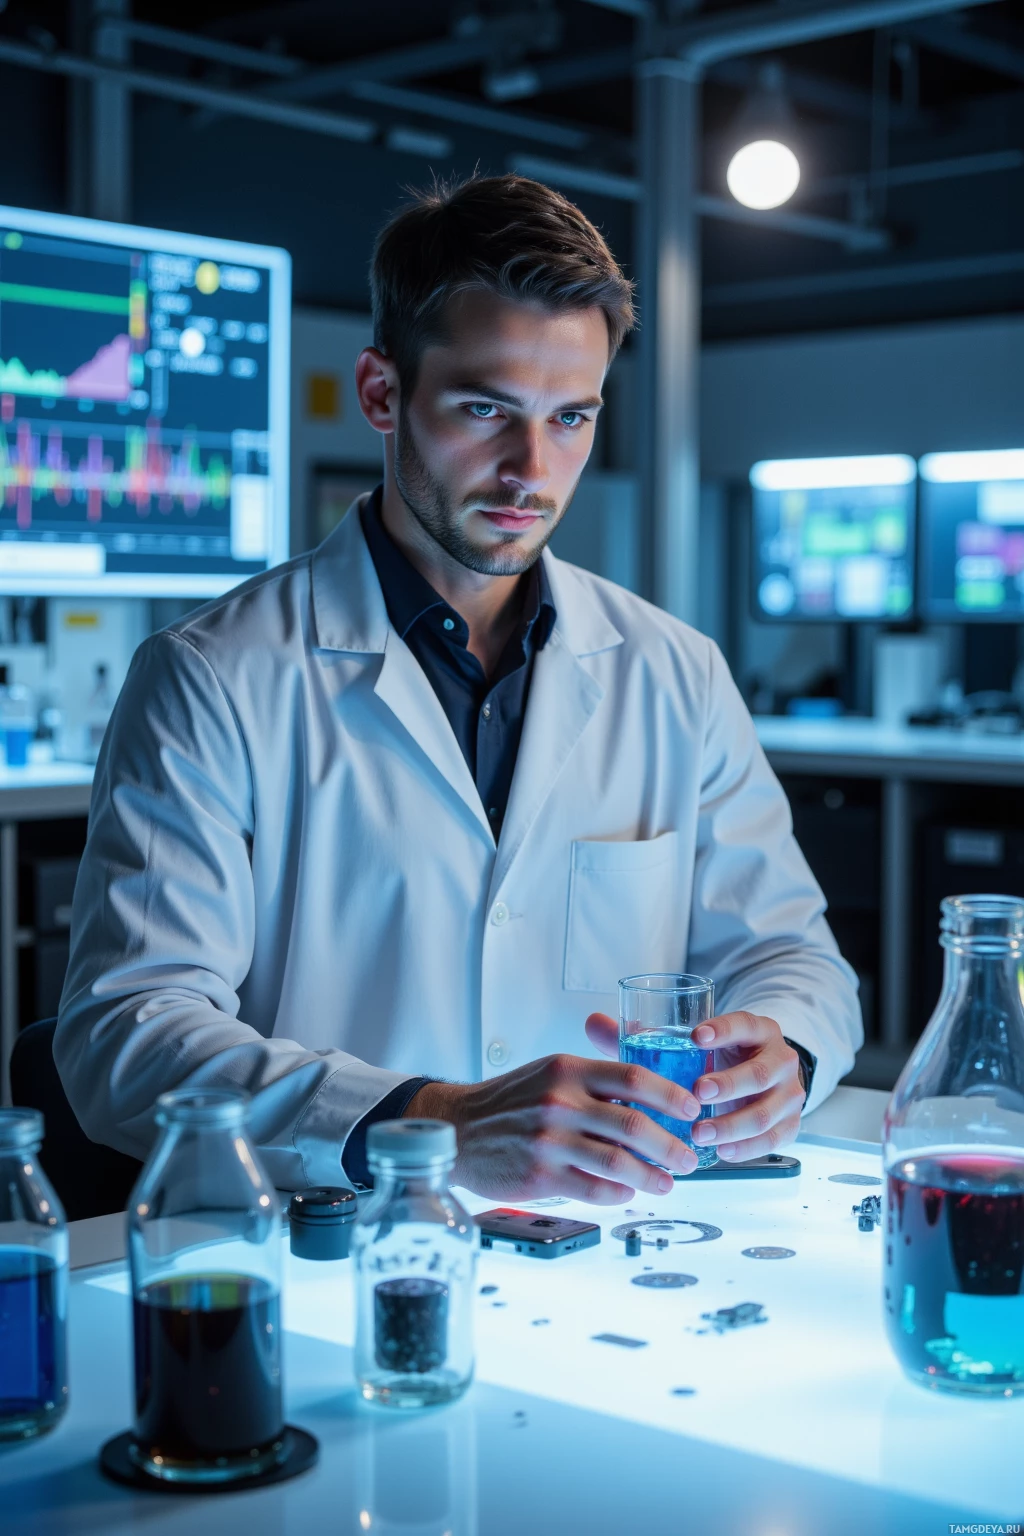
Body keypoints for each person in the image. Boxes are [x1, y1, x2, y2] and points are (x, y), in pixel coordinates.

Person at [56, 174, 861, 1205]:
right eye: (487, 409)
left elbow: (792, 954)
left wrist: (782, 1051)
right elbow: (125, 1032)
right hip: (334, 1243)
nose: (533, 468)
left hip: (605, 1247)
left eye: (571, 418)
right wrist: (432, 1122)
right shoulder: (213, 675)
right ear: (382, 393)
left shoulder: (673, 669)